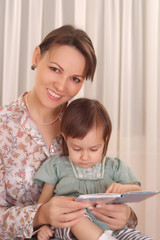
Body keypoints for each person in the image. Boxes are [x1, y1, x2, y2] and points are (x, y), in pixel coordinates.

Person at [0, 24, 152, 240]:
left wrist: (125, 215)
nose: (61, 85)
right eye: (55, 69)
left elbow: (109, 190)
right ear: (36, 57)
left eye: (75, 79)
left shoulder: (83, 123)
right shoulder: (3, 127)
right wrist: (39, 215)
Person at [34, 98, 142, 240]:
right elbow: (42, 205)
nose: (85, 157)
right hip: (70, 227)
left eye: (93, 149)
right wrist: (42, 227)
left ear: (105, 140)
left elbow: (138, 190)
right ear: (65, 138)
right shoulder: (57, 166)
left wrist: (124, 189)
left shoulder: (113, 166)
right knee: (75, 215)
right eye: (77, 148)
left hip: (111, 229)